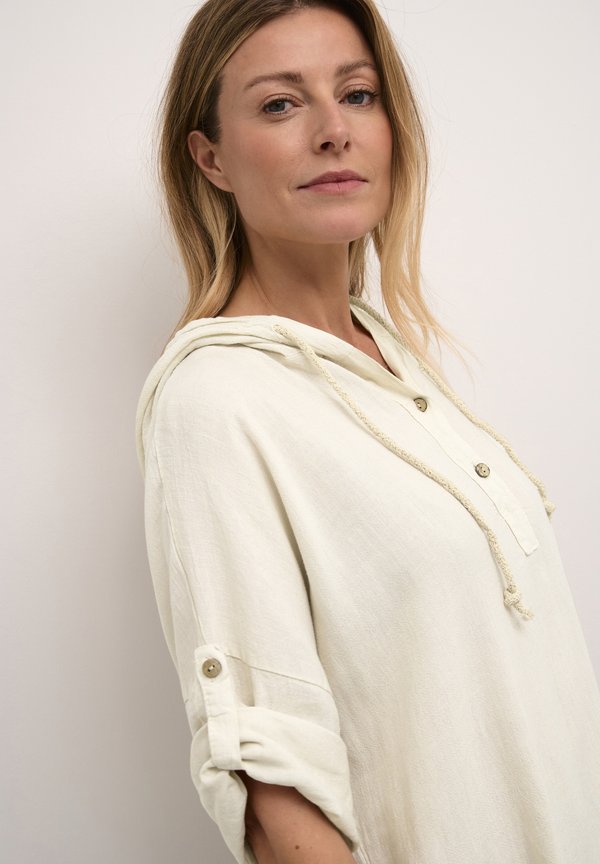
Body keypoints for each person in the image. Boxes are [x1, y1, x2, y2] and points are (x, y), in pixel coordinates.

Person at [134, 1, 600, 862]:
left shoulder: (390, 357)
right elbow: (277, 795)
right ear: (211, 157)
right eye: (280, 104)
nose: (333, 131)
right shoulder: (216, 400)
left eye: (357, 94)